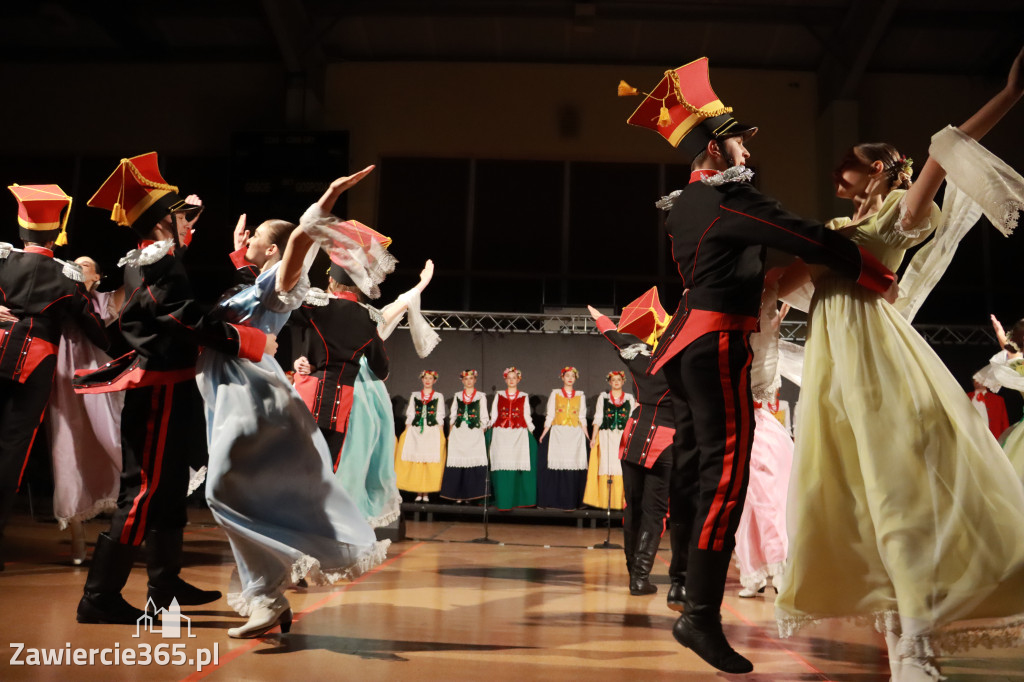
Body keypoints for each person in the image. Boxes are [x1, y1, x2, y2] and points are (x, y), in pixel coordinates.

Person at [620, 57, 899, 674]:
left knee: (695, 475)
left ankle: (687, 591)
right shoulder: (728, 200)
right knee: (727, 477)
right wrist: (875, 272)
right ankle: (699, 617)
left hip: (685, 347)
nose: (747, 148)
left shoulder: (687, 206)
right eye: (739, 139)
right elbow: (806, 236)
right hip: (718, 344)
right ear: (716, 149)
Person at [776, 48, 1024, 681]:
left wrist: (1010, 93)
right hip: (833, 364)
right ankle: (900, 639)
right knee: (853, 494)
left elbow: (947, 146)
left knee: (895, 493)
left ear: (880, 169)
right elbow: (789, 284)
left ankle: (916, 647)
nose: (838, 177)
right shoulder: (838, 225)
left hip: (873, 356)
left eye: (847, 167)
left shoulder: (896, 214)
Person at [75, 152, 274, 624]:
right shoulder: (157, 264)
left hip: (168, 384)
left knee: (166, 489)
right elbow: (185, 317)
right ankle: (99, 597)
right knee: (144, 491)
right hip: (158, 388)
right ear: (164, 220)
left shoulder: (150, 256)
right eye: (176, 213)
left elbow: (172, 263)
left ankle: (164, 589)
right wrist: (247, 340)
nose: (184, 221)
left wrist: (188, 221)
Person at [197, 167, 389, 638]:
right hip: (226, 395)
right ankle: (266, 596)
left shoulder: (279, 283)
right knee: (233, 494)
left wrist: (326, 198)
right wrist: (241, 251)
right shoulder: (252, 281)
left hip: (251, 398)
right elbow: (248, 292)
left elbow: (297, 245)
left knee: (220, 492)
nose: (251, 240)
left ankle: (268, 592)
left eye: (258, 237)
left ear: (274, 250)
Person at [0, 184, 110, 569]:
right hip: (35, 363)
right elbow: (96, 328)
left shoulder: (1, 259)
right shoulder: (68, 276)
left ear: (21, 227)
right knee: (12, 449)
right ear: (55, 231)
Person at [588, 288, 676, 599]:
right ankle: (639, 577)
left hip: (634, 439)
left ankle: (633, 573)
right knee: (655, 513)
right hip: (666, 443)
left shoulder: (640, 358)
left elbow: (614, 337)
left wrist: (599, 318)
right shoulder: (682, 366)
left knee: (633, 507)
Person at [47, 256, 124, 565]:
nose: (78, 266)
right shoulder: (62, 297)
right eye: (74, 262)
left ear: (99, 275)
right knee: (68, 448)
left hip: (96, 378)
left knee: (111, 439)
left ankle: (126, 532)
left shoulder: (103, 299)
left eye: (87, 263)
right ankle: (77, 537)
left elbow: (132, 281)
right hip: (64, 382)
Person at [537, 367, 588, 510]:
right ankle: (554, 500)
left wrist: (587, 435)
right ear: (562, 377)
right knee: (556, 464)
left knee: (573, 465)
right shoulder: (555, 393)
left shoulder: (580, 395)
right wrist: (544, 432)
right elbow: (551, 415)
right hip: (558, 433)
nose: (570, 378)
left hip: (574, 434)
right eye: (567, 376)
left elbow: (582, 417)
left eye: (573, 376)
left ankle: (573, 500)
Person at [582, 370, 633, 511]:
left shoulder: (629, 398)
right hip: (606, 435)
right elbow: (598, 418)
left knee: (620, 466)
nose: (616, 382)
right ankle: (606, 502)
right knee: (606, 465)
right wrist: (593, 438)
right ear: (609, 382)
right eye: (613, 380)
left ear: (623, 382)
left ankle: (620, 502)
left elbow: (632, 419)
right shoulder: (603, 398)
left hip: (622, 436)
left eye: (619, 379)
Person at [487, 367, 537, 509]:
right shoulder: (499, 395)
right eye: (509, 378)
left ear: (518, 379)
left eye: (514, 378)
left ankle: (517, 499)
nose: (511, 380)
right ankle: (500, 497)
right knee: (501, 463)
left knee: (517, 464)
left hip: (518, 433)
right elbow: (494, 414)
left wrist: (531, 430)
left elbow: (526, 415)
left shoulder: (523, 396)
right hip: (501, 432)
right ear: (505, 379)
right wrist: (489, 425)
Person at [395, 370, 447, 502]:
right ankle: (418, 492)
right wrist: (406, 431)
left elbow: (440, 414)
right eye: (425, 378)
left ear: (434, 380)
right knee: (417, 461)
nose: (428, 380)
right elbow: (411, 414)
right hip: (416, 430)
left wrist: (441, 433)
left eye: (430, 378)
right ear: (422, 380)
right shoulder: (415, 395)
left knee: (429, 461)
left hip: (431, 430)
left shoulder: (438, 396)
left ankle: (427, 493)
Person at [440, 370, 490, 503]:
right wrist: (450, 433)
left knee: (472, 462)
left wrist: (481, 430)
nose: (469, 381)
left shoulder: (480, 396)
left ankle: (471, 495)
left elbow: (484, 415)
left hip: (474, 433)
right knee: (459, 462)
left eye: (471, 378)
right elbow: (453, 415)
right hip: (459, 432)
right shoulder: (458, 396)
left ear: (475, 380)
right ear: (462, 381)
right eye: (466, 379)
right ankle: (458, 494)